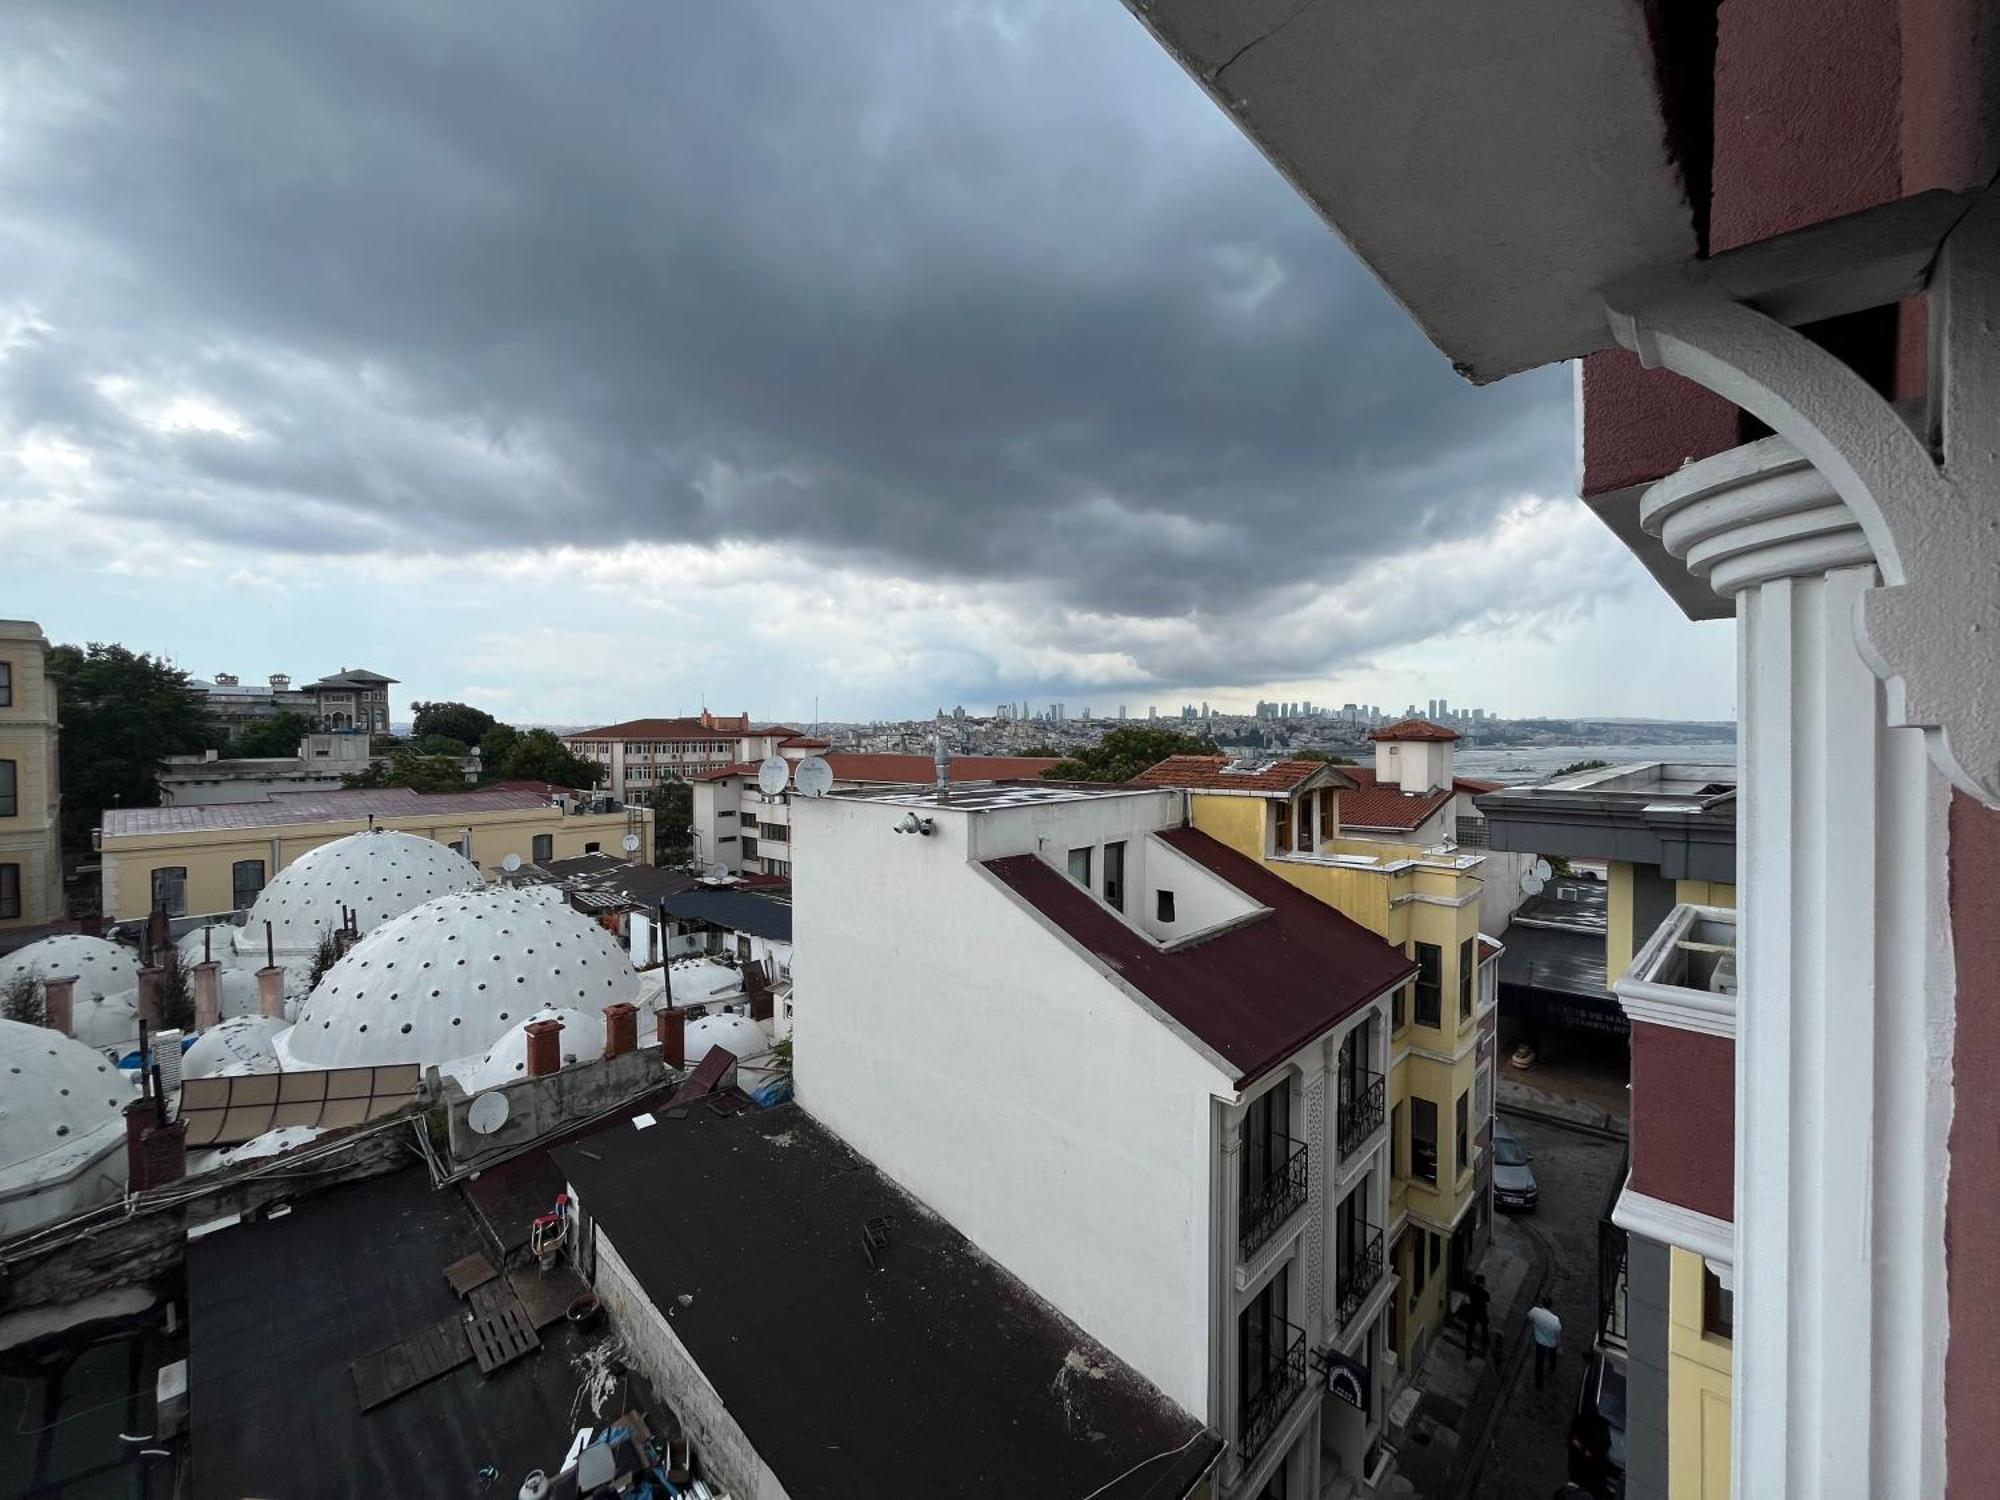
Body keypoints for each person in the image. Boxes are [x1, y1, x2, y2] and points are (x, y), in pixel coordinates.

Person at [1529, 1299, 1562, 1389]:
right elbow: (1558, 1335)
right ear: (1551, 1306)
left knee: (1539, 1361)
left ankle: (1538, 1381)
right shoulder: (1555, 1320)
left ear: (1542, 1304)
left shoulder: (1535, 1311)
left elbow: (1529, 1317)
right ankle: (1551, 1370)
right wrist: (1559, 1346)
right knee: (1552, 1357)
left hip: (1539, 1342)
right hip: (1551, 1344)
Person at [1463, 1273, 1492, 1351]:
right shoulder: (1485, 1294)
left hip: (1473, 1310)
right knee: (1485, 1326)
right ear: (1482, 1283)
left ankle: (1468, 1346)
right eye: (1484, 1282)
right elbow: (1488, 1301)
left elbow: (1468, 1288)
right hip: (1481, 1312)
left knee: (1471, 1329)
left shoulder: (1472, 1289)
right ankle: (1485, 1342)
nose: (1485, 1284)